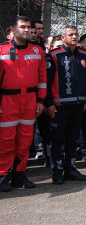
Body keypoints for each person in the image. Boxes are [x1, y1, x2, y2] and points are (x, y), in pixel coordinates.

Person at [0, 17, 46, 191]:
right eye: (22, 27)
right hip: (7, 100)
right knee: (5, 140)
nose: (26, 30)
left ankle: (20, 175)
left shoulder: (37, 51)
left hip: (30, 100)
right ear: (13, 29)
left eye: (28, 27)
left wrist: (40, 100)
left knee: (25, 141)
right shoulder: (2, 50)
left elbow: (43, 79)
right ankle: (3, 175)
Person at [45, 26, 86, 185]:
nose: (74, 36)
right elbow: (46, 82)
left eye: (76, 34)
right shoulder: (54, 56)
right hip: (59, 106)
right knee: (57, 139)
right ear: (63, 38)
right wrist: (48, 103)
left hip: (78, 105)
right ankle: (57, 170)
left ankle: (70, 168)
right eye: (70, 34)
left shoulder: (85, 55)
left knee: (73, 138)